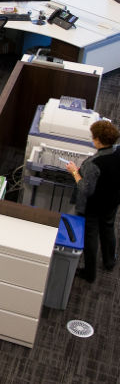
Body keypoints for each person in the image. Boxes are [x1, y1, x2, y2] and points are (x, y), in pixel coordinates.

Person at [65, 119, 120, 282]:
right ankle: (110, 261)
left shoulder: (94, 164)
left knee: (90, 237)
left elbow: (85, 189)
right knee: (108, 228)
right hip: (112, 200)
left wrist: (75, 172)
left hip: (93, 206)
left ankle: (89, 273)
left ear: (98, 140)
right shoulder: (118, 151)